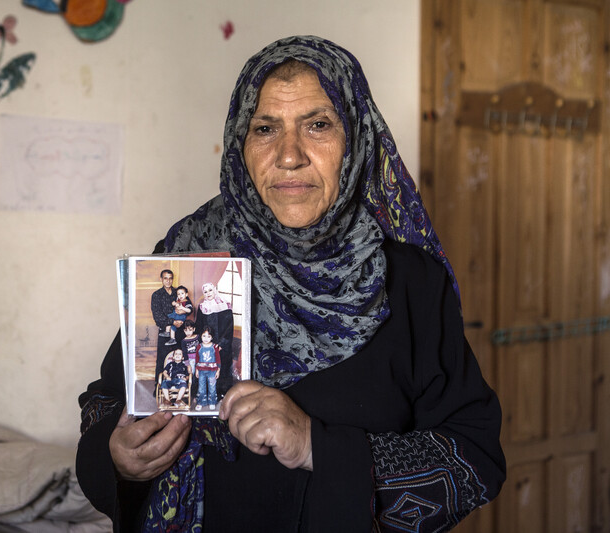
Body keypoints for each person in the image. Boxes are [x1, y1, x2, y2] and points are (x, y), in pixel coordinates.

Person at [77, 35, 505, 532]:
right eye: (265, 128)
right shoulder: (190, 255)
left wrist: (315, 447)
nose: (289, 155)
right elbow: (108, 400)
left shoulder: (408, 282)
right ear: (241, 143)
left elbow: (473, 459)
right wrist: (119, 456)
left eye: (318, 125)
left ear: (357, 139)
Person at [194, 282, 234, 397]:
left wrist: (222, 344)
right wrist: (205, 343)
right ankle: (208, 393)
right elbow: (199, 326)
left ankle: (223, 392)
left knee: (222, 367)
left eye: (210, 290)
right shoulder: (202, 307)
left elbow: (229, 327)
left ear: (214, 290)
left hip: (223, 345)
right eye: (205, 292)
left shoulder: (225, 305)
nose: (208, 293)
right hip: (207, 344)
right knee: (207, 368)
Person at [150, 269, 183, 384]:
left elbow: (186, 306)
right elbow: (157, 316)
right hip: (164, 331)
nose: (168, 281)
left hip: (179, 330)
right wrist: (172, 322)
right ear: (161, 279)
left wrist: (180, 321)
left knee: (180, 358)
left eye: (170, 278)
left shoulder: (178, 293)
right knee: (162, 359)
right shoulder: (157, 295)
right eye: (165, 278)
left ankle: (179, 386)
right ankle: (159, 386)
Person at [194, 326, 221, 411]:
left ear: (212, 337)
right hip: (201, 371)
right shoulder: (199, 346)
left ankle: (212, 402)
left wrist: (218, 370)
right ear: (200, 336)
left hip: (212, 371)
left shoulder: (214, 347)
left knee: (212, 387)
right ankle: (201, 402)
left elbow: (218, 359)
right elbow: (197, 359)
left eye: (208, 336)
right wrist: (197, 370)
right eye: (204, 336)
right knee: (201, 387)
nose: (206, 338)